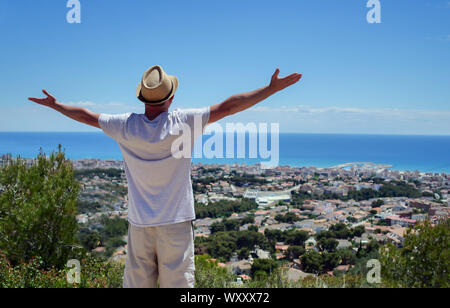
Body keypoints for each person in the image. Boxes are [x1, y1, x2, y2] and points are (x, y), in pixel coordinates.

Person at [28, 65, 302, 288]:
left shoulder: (124, 126)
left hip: (140, 224)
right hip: (176, 224)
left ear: (142, 97)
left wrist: (57, 105)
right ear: (171, 98)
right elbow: (229, 107)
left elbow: (86, 116)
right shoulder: (183, 123)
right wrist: (270, 89)